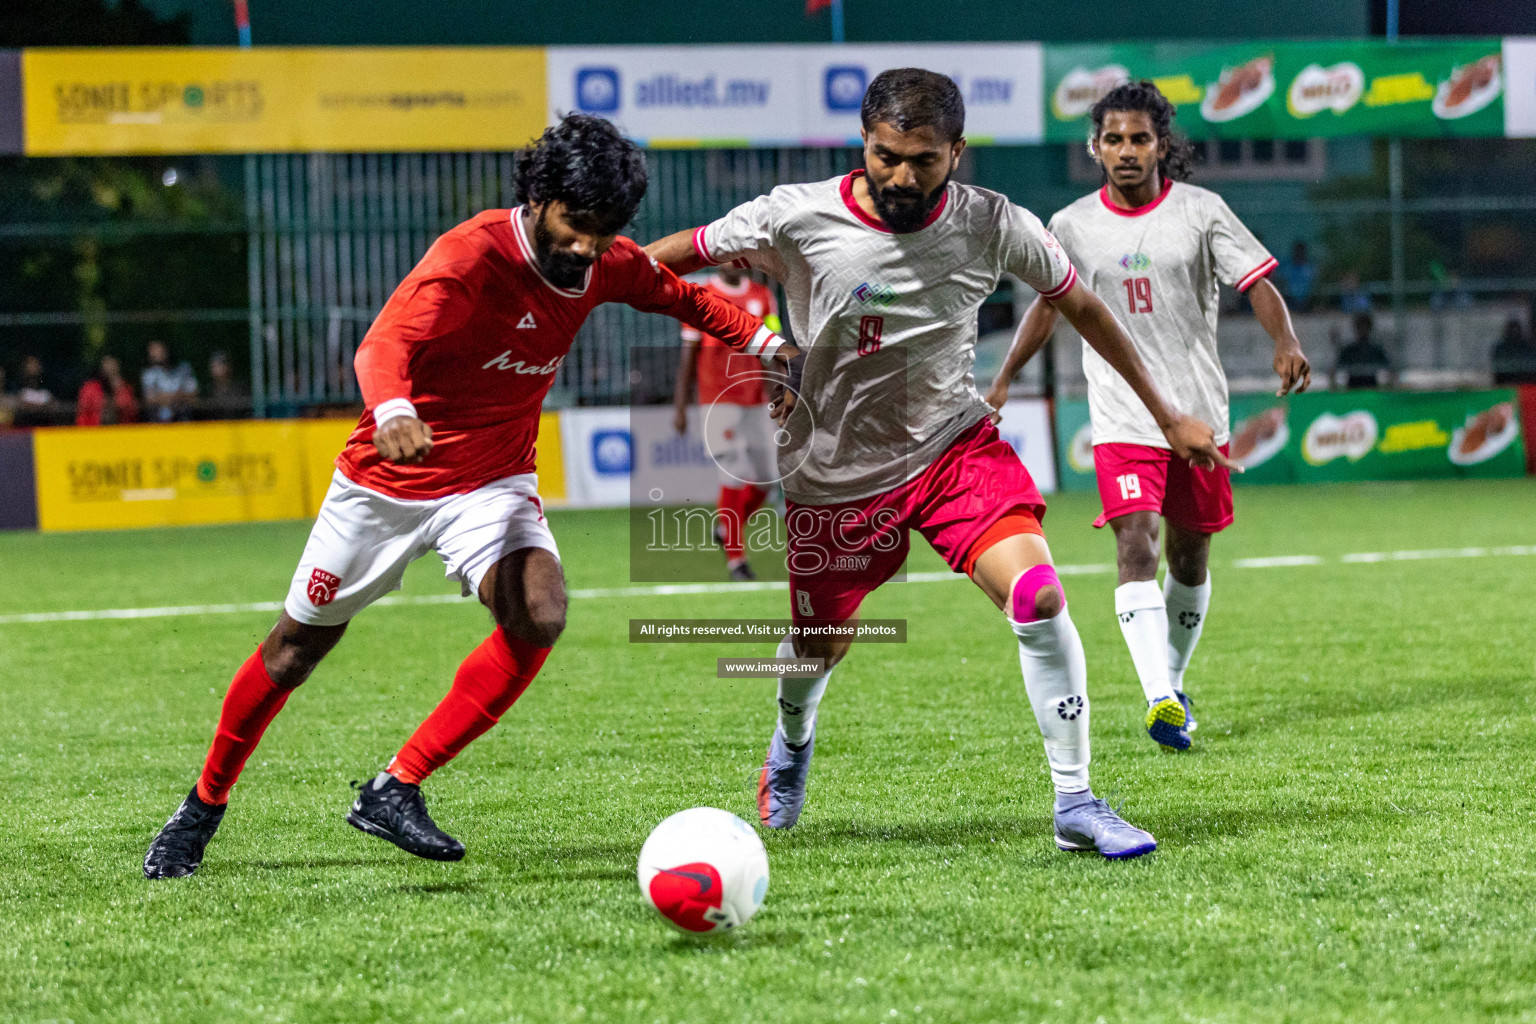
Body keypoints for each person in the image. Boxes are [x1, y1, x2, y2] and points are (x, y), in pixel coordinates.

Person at [142, 114, 793, 879]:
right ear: (539, 196)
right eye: (575, 224)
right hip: (387, 482)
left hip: (492, 484)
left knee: (540, 612)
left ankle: (396, 785)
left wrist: (775, 348)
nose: (587, 246)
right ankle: (202, 807)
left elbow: (686, 299)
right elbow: (384, 344)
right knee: (294, 651)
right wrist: (392, 410)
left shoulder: (604, 263)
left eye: (605, 230)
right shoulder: (472, 254)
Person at [647, 69, 1233, 860]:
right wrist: (584, 287)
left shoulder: (993, 223)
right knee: (819, 644)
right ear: (864, 142)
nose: (902, 176)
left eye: (923, 159)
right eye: (886, 156)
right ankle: (792, 740)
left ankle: (1076, 801)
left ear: (957, 151)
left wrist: (1167, 416)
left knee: (1038, 597)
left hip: (953, 449)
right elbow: (673, 257)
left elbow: (1082, 305)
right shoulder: (796, 215)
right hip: (837, 472)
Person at [987, 80, 1310, 753]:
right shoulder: (1072, 226)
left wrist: (1286, 341)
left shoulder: (1201, 212)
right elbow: (1047, 307)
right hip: (1121, 419)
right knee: (1136, 545)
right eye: (1113, 139)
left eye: (1139, 138)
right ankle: (1158, 695)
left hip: (1198, 418)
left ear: (1162, 144)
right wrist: (1005, 377)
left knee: (1190, 560)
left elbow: (1257, 281)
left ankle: (1175, 684)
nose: (1126, 151)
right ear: (1094, 148)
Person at [670, 265, 781, 581]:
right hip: (717, 400)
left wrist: (778, 390)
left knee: (767, 478)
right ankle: (737, 562)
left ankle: (725, 526)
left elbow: (772, 347)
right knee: (733, 473)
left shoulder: (763, 296)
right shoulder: (701, 296)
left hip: (756, 399)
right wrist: (680, 407)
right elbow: (688, 353)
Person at [141, 340, 198, 422]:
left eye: (158, 349)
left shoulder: (184, 369)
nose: (155, 354)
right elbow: (149, 399)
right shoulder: (148, 374)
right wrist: (174, 396)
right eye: (152, 351)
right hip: (158, 420)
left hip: (182, 416)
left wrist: (165, 397)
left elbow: (193, 394)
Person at [75, 355, 139, 426]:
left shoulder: (125, 389)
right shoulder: (89, 388)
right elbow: (82, 412)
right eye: (105, 364)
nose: (108, 367)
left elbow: (131, 411)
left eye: (110, 363)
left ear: (117, 365)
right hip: (93, 432)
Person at [1333, 312, 1392, 390]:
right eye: (1360, 327)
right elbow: (1337, 369)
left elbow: (1387, 369)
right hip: (1352, 389)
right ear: (1355, 328)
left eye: (1365, 327)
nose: (1363, 330)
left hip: (1372, 389)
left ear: (1370, 328)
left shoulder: (1377, 350)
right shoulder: (1348, 350)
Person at [198, 350, 251, 419]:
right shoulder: (207, 391)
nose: (217, 369)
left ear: (228, 367)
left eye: (220, 365)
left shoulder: (240, 389)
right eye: (214, 366)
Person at [13, 355, 59, 428]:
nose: (33, 368)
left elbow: (55, 407)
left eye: (36, 364)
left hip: (45, 432)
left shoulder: (46, 393)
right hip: (25, 433)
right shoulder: (20, 393)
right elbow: (20, 405)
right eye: (30, 365)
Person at [1491, 316, 1536, 385]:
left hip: (1526, 385)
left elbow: (1530, 365)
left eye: (1516, 330)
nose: (1514, 333)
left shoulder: (1527, 347)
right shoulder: (1501, 349)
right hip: (1505, 384)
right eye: (1511, 330)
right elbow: (1498, 370)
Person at [1278, 241, 1316, 313]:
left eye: (1301, 252)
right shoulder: (1287, 268)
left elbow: (1313, 285)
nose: (1299, 254)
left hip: (1307, 301)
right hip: (1290, 300)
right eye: (1297, 252)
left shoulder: (1309, 268)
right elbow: (1283, 283)